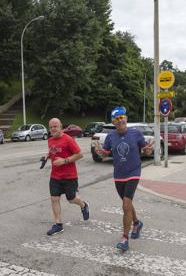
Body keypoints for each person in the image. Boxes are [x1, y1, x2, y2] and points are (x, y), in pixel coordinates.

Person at [95, 107, 153, 251]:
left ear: (126, 118)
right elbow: (105, 154)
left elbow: (145, 149)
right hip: (119, 175)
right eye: (116, 119)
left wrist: (148, 150)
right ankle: (137, 223)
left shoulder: (135, 134)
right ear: (113, 122)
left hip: (134, 172)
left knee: (126, 205)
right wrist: (101, 153)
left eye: (122, 117)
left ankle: (124, 238)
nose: (120, 120)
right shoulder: (110, 137)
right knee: (127, 203)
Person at [43, 118, 89, 236]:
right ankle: (58, 225)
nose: (53, 128)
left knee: (71, 199)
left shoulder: (68, 139)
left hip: (69, 176)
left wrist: (64, 161)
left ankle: (83, 205)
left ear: (61, 127)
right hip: (55, 176)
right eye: (51, 127)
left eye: (55, 126)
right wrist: (47, 156)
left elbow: (80, 154)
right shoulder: (50, 140)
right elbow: (53, 151)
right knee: (54, 199)